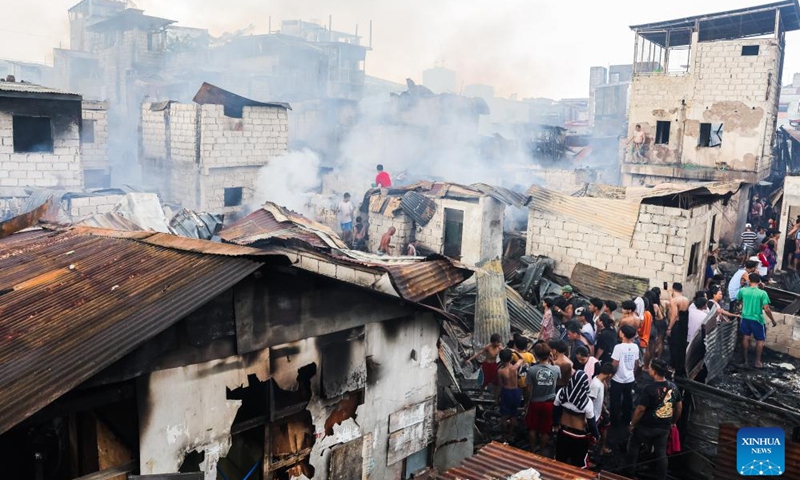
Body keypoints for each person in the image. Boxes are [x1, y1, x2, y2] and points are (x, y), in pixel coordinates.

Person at [626, 358, 683, 480]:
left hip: (646, 426)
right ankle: (661, 477)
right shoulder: (673, 387)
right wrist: (673, 422)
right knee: (661, 453)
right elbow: (678, 408)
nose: (649, 370)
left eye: (651, 368)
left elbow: (640, 409)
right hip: (663, 427)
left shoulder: (649, 388)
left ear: (654, 372)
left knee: (634, 444)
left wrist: (632, 424)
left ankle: (630, 472)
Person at [553, 369, 600, 468]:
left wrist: (555, 424)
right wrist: (596, 435)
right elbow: (591, 423)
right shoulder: (586, 402)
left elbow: (555, 411)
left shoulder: (561, 393)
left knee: (559, 460)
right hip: (579, 436)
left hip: (563, 431)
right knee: (578, 464)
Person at [525, 343, 561, 453]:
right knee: (546, 429)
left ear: (536, 355)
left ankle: (531, 449)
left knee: (532, 427)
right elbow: (558, 380)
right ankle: (541, 450)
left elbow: (528, 389)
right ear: (549, 354)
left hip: (535, 402)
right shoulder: (556, 369)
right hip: (550, 403)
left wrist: (527, 402)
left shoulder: (531, 370)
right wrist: (552, 362)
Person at [737, 273, 777, 368]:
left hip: (745, 318)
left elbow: (739, 300)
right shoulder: (762, 293)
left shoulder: (743, 291)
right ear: (759, 281)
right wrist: (773, 320)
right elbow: (766, 309)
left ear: (749, 281)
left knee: (746, 337)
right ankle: (757, 362)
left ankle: (745, 361)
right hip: (757, 319)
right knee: (760, 340)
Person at [610, 325, 638, 427]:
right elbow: (636, 363)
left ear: (623, 334)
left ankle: (614, 421)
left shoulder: (618, 347)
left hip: (618, 379)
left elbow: (615, 364)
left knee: (615, 400)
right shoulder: (635, 347)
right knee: (628, 399)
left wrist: (610, 375)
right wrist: (633, 374)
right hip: (630, 378)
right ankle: (627, 418)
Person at [497, 349, 524, 441]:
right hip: (516, 392)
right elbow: (521, 358)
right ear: (511, 357)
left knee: (504, 416)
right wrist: (515, 351)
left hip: (506, 392)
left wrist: (497, 397)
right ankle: (510, 435)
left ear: (500, 359)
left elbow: (500, 386)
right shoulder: (515, 367)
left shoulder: (500, 371)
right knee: (514, 414)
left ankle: (504, 437)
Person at [590, 362, 616, 456]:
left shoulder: (599, 381)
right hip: (593, 416)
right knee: (593, 438)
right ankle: (590, 458)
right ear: (610, 375)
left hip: (598, 413)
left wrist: (604, 410)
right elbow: (590, 401)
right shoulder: (596, 385)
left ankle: (600, 449)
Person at [667, 283, 690, 374]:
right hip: (684, 324)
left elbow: (674, 315)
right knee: (681, 345)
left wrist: (669, 328)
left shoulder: (675, 301)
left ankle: (673, 366)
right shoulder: (686, 299)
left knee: (674, 345)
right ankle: (680, 365)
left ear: (673, 289)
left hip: (677, 325)